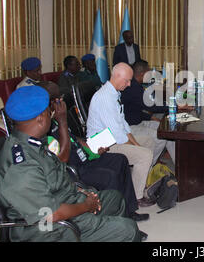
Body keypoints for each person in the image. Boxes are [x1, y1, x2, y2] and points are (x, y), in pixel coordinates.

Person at [0, 86, 141, 242]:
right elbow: (49, 214)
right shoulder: (21, 166)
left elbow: (57, 174)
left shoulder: (34, 142)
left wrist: (82, 192)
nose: (53, 114)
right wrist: (87, 206)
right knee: (128, 230)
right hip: (49, 230)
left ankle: (106, 231)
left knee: (115, 199)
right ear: (41, 118)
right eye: (50, 111)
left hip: (65, 203)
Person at [38, 81, 149, 222]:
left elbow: (76, 140)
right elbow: (61, 161)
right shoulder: (46, 127)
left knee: (120, 160)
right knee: (110, 176)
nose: (62, 101)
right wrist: (62, 121)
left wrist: (94, 150)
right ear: (50, 102)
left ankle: (129, 210)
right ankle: (119, 220)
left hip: (84, 158)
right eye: (58, 99)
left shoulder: (55, 119)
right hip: (74, 170)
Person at [86, 62, 155, 207]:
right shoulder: (105, 98)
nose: (129, 84)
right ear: (117, 76)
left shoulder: (114, 93)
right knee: (145, 154)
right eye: (127, 80)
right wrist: (137, 149)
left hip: (114, 138)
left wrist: (136, 145)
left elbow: (123, 124)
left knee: (148, 142)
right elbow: (117, 134)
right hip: (104, 145)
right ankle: (137, 196)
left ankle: (139, 180)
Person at [120, 60, 184, 164]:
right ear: (142, 74)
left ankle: (180, 165)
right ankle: (148, 165)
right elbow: (152, 107)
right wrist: (176, 106)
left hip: (139, 121)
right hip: (131, 127)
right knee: (161, 137)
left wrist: (150, 117)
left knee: (169, 131)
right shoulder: (133, 87)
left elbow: (134, 109)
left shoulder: (136, 85)